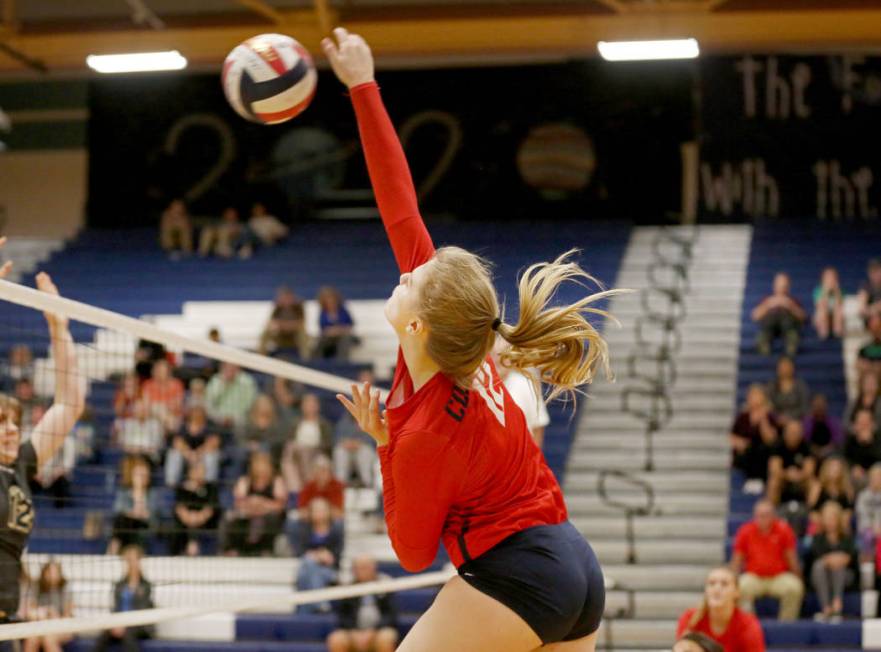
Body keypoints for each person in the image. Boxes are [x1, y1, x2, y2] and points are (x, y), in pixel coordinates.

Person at [326, 29, 609, 651]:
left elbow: (408, 551)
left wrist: (385, 445)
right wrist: (361, 87)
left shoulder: (425, 428)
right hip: (574, 564)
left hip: (520, 577)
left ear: (416, 324)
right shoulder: (458, 338)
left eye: (414, 276)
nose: (406, 269)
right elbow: (399, 205)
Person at [0, 265, 84, 642]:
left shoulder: (19, 462)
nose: (12, 429)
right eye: (1, 422)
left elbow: (69, 405)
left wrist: (57, 328)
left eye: (15, 421)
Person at [731, 498, 804, 621]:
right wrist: (732, 581)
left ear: (773, 516)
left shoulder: (784, 530)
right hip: (754, 577)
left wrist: (798, 577)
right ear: (754, 516)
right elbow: (737, 561)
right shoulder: (745, 531)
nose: (763, 518)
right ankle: (749, 625)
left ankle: (785, 625)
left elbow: (792, 559)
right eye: (760, 515)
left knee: (795, 587)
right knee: (741, 586)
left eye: (766, 515)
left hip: (778, 577)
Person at [675, 566, 765, 652]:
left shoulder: (748, 625)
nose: (717, 588)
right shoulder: (690, 618)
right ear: (706, 590)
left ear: (737, 591)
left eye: (724, 584)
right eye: (712, 583)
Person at [326, 555, 399, 652]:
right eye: (359, 568)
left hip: (378, 632)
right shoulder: (349, 589)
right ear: (354, 570)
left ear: (374, 568)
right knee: (336, 639)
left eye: (366, 567)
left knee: (386, 637)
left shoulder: (385, 585)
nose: (363, 571)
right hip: (354, 633)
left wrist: (373, 631)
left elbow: (390, 615)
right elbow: (343, 616)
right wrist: (354, 633)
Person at [223, 451, 287, 556]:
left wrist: (261, 503)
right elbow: (238, 503)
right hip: (248, 514)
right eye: (258, 464)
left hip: (268, 515)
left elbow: (280, 505)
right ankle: (236, 549)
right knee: (233, 517)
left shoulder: (276, 481)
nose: (261, 467)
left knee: (272, 519)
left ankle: (265, 550)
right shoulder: (245, 481)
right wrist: (252, 506)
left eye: (264, 464)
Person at [92, 545, 154, 652]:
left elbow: (141, 611)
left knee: (128, 634)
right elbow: (116, 608)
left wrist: (124, 625)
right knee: (104, 634)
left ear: (139, 562)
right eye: (129, 560)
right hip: (120, 623)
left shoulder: (146, 585)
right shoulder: (120, 585)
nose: (132, 563)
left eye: (134, 559)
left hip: (139, 625)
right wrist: (116, 624)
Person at [493, 341, 551, 447]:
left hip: (522, 454)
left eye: (503, 356)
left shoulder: (526, 385)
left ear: (511, 359)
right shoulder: (479, 386)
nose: (498, 360)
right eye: (494, 355)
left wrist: (535, 460)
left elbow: (538, 425)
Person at [292, 497, 345, 612]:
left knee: (304, 575)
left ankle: (303, 611)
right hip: (309, 566)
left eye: (322, 510)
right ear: (310, 512)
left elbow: (337, 554)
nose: (319, 513)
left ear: (328, 511)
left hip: (329, 571)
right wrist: (317, 556)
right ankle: (320, 603)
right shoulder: (304, 528)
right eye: (316, 510)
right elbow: (300, 551)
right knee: (307, 567)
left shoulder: (337, 528)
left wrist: (326, 557)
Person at [808, 501, 857, 622]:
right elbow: (816, 557)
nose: (829, 522)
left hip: (844, 576)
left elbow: (851, 558)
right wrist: (832, 559)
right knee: (819, 565)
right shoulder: (817, 538)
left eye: (832, 518)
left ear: (838, 519)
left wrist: (836, 560)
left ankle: (837, 602)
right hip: (821, 576)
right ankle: (826, 607)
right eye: (827, 518)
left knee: (838, 566)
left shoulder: (847, 538)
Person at [281, 393, 333, 492]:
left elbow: (328, 445)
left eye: (312, 404)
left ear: (317, 406)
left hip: (317, 453)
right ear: (302, 406)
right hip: (296, 453)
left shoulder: (324, 425)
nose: (310, 407)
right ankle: (295, 491)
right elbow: (289, 441)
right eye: (307, 404)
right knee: (288, 460)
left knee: (307, 455)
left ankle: (307, 489)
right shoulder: (295, 423)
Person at [333, 369, 377, 487]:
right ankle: (340, 487)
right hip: (348, 450)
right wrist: (346, 442)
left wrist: (360, 443)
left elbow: (376, 437)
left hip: (367, 449)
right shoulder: (346, 418)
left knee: (364, 453)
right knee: (340, 452)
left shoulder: (379, 404)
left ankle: (368, 485)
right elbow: (338, 437)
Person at [730, 385, 780, 485]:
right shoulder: (742, 417)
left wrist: (762, 419)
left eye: (757, 395)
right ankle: (749, 480)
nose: (754, 398)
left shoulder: (770, 417)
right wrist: (740, 442)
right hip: (746, 453)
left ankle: (761, 481)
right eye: (752, 395)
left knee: (764, 451)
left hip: (763, 452)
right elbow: (732, 436)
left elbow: (770, 439)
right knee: (748, 451)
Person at [108, 456, 158, 555]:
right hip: (127, 526)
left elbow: (152, 516)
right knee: (122, 521)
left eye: (144, 475)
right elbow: (118, 511)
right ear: (133, 476)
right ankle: (115, 548)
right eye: (139, 475)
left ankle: (113, 548)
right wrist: (137, 514)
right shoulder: (124, 493)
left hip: (145, 526)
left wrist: (139, 493)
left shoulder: (153, 494)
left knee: (125, 523)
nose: (142, 478)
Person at [170, 460, 220, 556]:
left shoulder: (211, 488)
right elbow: (179, 509)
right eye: (196, 470)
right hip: (184, 524)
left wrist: (197, 518)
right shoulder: (181, 488)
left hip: (205, 523)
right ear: (190, 472)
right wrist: (190, 518)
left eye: (202, 470)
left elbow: (210, 509)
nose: (199, 473)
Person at [23, 559, 74, 652]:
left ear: (60, 574)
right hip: (40, 626)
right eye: (49, 572)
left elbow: (68, 617)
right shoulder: (37, 587)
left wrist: (55, 616)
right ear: (44, 573)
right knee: (32, 638)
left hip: (62, 627)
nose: (52, 575)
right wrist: (45, 612)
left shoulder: (66, 588)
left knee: (48, 638)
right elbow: (30, 613)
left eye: (55, 572)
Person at [164, 405, 221, 487]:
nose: (197, 418)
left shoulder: (210, 424)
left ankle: (209, 485)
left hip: (202, 456)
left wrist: (198, 453)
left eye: (199, 416)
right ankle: (172, 485)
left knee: (211, 456)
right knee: (174, 454)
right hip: (187, 456)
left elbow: (215, 441)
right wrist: (189, 454)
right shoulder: (184, 424)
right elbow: (177, 442)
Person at [751, 272, 806, 356]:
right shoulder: (767, 299)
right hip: (769, 328)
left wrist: (790, 306)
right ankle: (763, 346)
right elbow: (754, 316)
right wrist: (768, 305)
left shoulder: (792, 300)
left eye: (784, 285)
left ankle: (791, 347)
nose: (781, 287)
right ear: (774, 285)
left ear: (788, 286)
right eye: (779, 284)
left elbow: (803, 317)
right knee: (767, 326)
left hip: (788, 328)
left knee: (791, 329)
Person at [766, 420, 815, 507]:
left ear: (801, 434)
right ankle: (773, 510)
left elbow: (809, 470)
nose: (793, 434)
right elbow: (774, 469)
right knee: (773, 482)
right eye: (791, 432)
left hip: (801, 479)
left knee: (814, 484)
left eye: (796, 432)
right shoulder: (778, 446)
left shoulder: (806, 446)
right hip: (783, 479)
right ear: (785, 433)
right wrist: (787, 474)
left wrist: (799, 475)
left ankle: (810, 512)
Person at [205, 362, 257, 432]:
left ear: (238, 367)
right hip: (217, 422)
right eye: (227, 367)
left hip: (240, 424)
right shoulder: (216, 380)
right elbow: (209, 404)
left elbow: (250, 406)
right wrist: (223, 384)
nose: (230, 370)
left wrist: (234, 419)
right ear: (222, 367)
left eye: (233, 367)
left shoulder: (247, 382)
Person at [259, 286, 309, 360]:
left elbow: (301, 322)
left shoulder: (298, 307)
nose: (286, 300)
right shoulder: (278, 308)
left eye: (287, 298)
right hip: (281, 334)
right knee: (267, 331)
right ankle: (261, 355)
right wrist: (283, 326)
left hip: (294, 335)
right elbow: (272, 322)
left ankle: (305, 358)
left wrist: (287, 325)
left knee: (302, 333)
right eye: (283, 298)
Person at [808, 456, 854, 533]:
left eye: (837, 467)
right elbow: (811, 509)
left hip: (840, 520)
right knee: (816, 522)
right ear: (826, 470)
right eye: (832, 467)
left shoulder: (847, 488)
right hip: (821, 519)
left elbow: (849, 509)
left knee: (845, 521)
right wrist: (824, 519)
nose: (835, 470)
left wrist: (838, 518)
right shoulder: (818, 487)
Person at [113, 399, 164, 464]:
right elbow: (124, 443)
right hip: (131, 456)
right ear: (134, 410)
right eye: (139, 409)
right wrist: (136, 449)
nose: (141, 411)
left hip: (149, 458)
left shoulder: (155, 425)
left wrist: (139, 449)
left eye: (143, 409)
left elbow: (155, 445)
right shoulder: (128, 424)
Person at [314, 286, 357, 360]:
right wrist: (334, 330)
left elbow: (349, 326)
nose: (331, 301)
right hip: (329, 338)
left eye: (332, 299)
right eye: (328, 299)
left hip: (343, 336)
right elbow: (323, 328)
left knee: (345, 339)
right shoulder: (323, 313)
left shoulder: (343, 311)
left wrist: (337, 330)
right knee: (321, 341)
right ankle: (317, 361)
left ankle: (342, 361)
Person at [140, 359, 184, 430]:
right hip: (152, 415)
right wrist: (160, 407)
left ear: (168, 371)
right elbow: (146, 405)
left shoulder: (176, 384)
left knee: (171, 420)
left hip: (171, 415)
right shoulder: (148, 384)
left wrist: (159, 406)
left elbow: (176, 405)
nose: (159, 373)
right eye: (158, 370)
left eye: (162, 371)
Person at [297, 455, 345, 520]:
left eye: (325, 470)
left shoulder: (337, 486)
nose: (322, 474)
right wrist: (316, 514)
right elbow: (302, 511)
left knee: (338, 523)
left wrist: (322, 512)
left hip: (331, 521)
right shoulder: (307, 486)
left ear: (330, 472)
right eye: (319, 471)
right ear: (314, 473)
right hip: (311, 521)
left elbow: (339, 512)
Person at [765, 357, 810, 425]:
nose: (784, 369)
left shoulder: (800, 386)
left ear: (792, 368)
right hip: (776, 421)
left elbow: (805, 408)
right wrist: (777, 417)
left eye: (787, 366)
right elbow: (768, 405)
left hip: (796, 421)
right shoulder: (771, 386)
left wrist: (790, 417)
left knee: (793, 427)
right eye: (782, 366)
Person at [844, 409, 881, 487]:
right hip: (856, 475)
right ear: (855, 425)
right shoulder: (850, 440)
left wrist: (869, 443)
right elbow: (844, 457)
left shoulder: (878, 438)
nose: (863, 426)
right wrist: (853, 467)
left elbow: (878, 458)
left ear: (873, 424)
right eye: (860, 423)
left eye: (866, 423)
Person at [803, 394, 844, 460]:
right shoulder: (807, 422)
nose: (819, 407)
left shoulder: (834, 421)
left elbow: (838, 441)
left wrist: (825, 450)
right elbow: (805, 440)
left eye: (821, 405)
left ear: (826, 405)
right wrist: (815, 450)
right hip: (811, 452)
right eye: (817, 405)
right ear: (812, 405)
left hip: (830, 453)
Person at [856, 463, 881, 564]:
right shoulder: (863, 496)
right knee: (867, 537)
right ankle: (867, 571)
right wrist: (872, 527)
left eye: (879, 477)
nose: (876, 479)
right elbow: (862, 515)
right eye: (874, 477)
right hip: (866, 529)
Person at [813, 266, 845, 340]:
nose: (830, 280)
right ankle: (823, 332)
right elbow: (819, 305)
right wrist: (826, 292)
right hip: (822, 317)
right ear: (823, 280)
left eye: (832, 278)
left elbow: (840, 304)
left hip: (835, 317)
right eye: (828, 278)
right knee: (822, 310)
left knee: (839, 310)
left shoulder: (840, 291)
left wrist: (837, 291)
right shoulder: (818, 290)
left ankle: (838, 331)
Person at [858, 258, 881, 327]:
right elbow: (861, 310)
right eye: (873, 271)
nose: (876, 275)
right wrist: (876, 308)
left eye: (878, 271)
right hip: (872, 320)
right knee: (875, 320)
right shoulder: (866, 286)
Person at [857, 314, 881, 379]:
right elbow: (860, 365)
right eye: (874, 327)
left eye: (878, 327)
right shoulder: (865, 349)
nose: (877, 330)